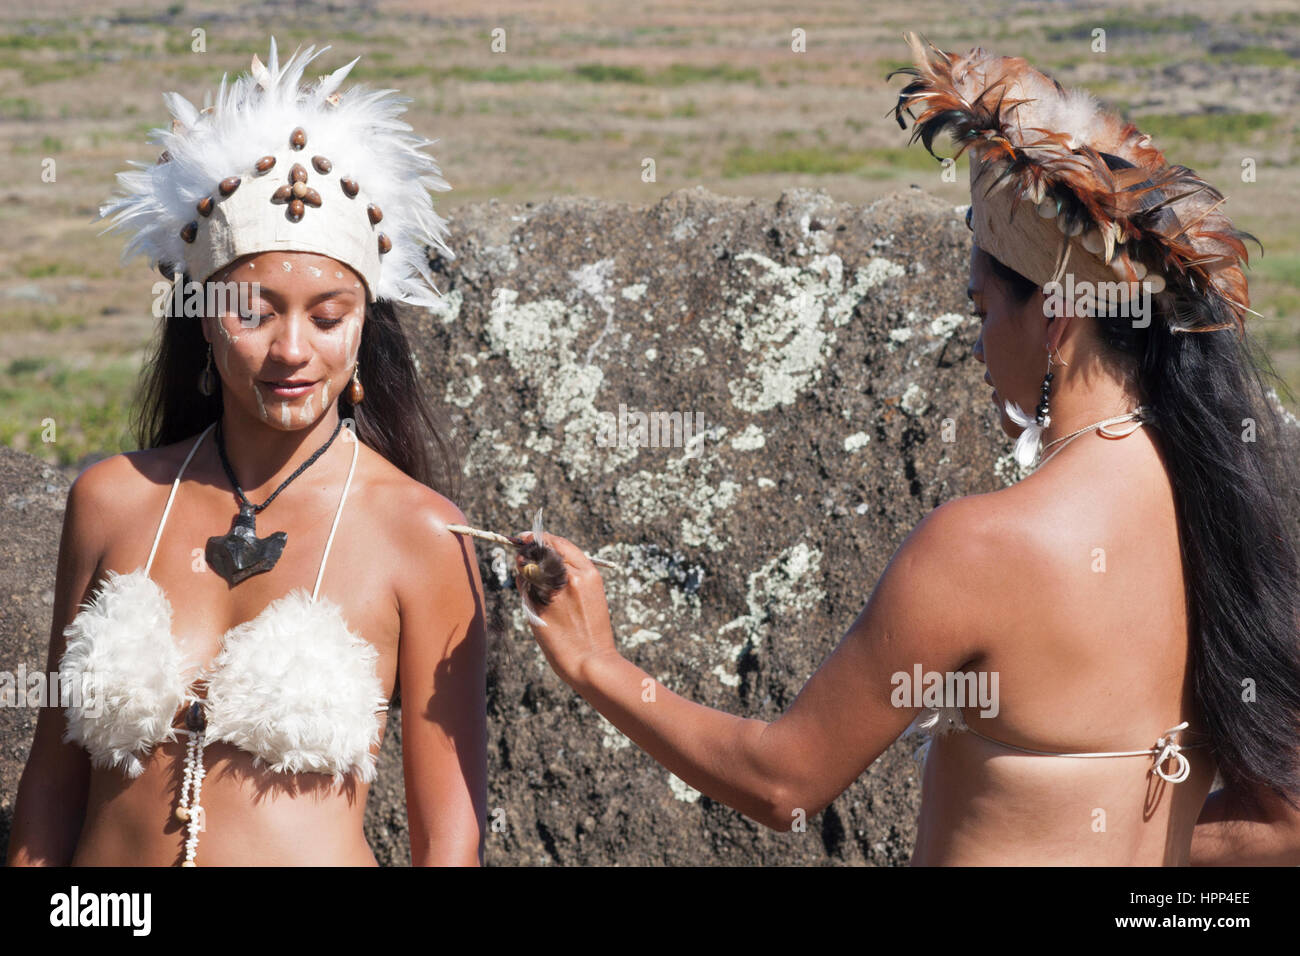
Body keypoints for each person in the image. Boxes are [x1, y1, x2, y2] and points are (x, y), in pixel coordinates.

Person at [512, 35, 1300, 865]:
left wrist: (594, 661)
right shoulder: (1223, 510)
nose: (977, 344)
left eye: (982, 311)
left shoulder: (983, 547)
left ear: (1057, 321)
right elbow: (1284, 821)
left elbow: (784, 784)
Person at [7, 38, 486, 867]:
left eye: (328, 317)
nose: (292, 350)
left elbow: (449, 843)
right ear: (201, 315)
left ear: (364, 327)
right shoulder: (111, 500)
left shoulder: (424, 536)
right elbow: (50, 791)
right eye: (254, 313)